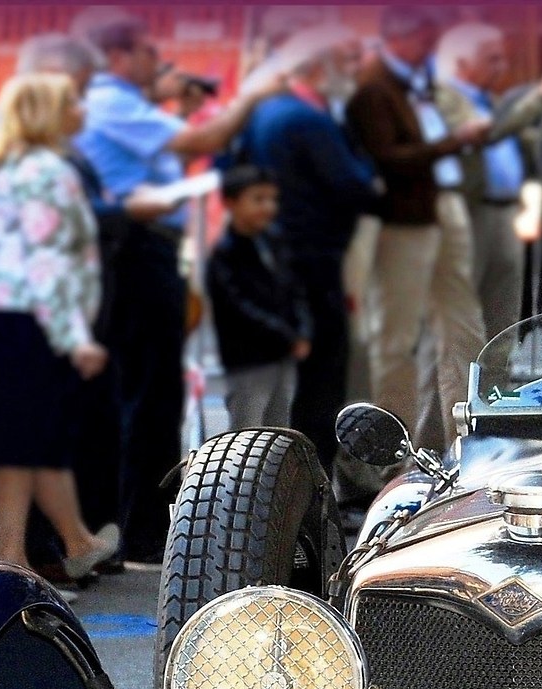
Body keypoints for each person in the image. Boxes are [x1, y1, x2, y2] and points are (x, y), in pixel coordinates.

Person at [71, 8, 285, 564]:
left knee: (139, 392)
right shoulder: (112, 100)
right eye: (148, 52)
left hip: (143, 247)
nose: (158, 63)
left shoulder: (129, 105)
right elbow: (203, 139)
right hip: (135, 249)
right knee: (149, 395)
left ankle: (121, 519)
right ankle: (138, 530)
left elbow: (187, 148)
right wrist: (254, 91)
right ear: (118, 55)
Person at [0, 73, 117, 577]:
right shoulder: (48, 171)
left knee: (22, 445)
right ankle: (59, 545)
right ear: (49, 112)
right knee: (37, 439)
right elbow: (50, 262)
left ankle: (29, 552)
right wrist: (76, 337)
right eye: (72, 102)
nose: (81, 110)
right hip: (33, 322)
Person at [234, 23, 378, 476]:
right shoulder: (306, 118)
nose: (351, 73)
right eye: (343, 62)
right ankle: (310, 479)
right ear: (318, 67)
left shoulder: (267, 112)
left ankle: (274, 477)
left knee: (283, 379)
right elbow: (354, 184)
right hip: (311, 259)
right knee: (322, 378)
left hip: (275, 254)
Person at [344, 7, 490, 449]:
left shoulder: (416, 79)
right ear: (402, 37)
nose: (432, 47)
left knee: (463, 331)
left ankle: (461, 442)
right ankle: (384, 456)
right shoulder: (373, 85)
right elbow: (387, 157)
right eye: (427, 38)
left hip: (438, 207)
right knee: (396, 341)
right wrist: (455, 141)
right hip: (401, 220)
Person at [437, 24, 542, 339]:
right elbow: (488, 135)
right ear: (461, 63)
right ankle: (445, 390)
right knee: (458, 324)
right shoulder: (445, 98)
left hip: (507, 213)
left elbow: (528, 142)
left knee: (502, 319)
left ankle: (494, 388)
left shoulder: (491, 100)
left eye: (502, 59)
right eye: (493, 59)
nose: (502, 67)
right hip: (469, 214)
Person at [203, 165, 310, 430]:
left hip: (281, 354)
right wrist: (286, 335)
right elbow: (238, 307)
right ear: (231, 202)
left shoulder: (273, 240)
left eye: (272, 199)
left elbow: (293, 288)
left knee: (280, 428)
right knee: (247, 430)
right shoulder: (225, 254)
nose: (268, 207)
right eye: (258, 199)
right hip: (249, 359)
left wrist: (302, 329)